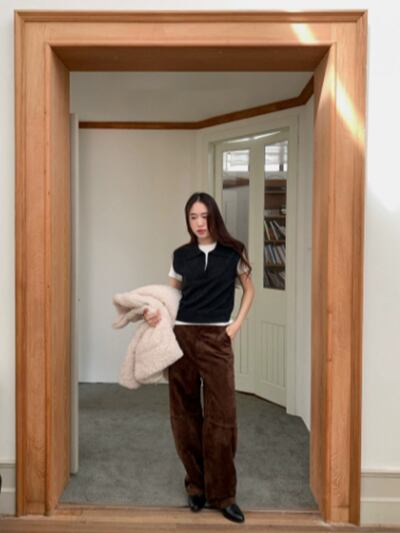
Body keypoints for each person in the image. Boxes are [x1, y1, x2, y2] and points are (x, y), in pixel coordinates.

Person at [144, 191, 255, 523]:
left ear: (214, 216)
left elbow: (249, 290)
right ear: (188, 220)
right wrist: (155, 313)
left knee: (222, 418)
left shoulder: (233, 252)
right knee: (185, 416)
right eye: (193, 217)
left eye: (204, 216)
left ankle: (223, 494)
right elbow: (169, 298)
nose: (199, 223)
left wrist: (235, 326)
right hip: (182, 338)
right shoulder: (181, 256)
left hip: (217, 338)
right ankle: (196, 486)